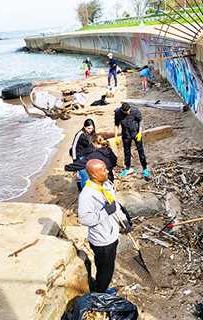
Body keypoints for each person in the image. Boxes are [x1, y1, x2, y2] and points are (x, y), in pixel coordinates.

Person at [78, 159, 125, 293]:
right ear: (94, 175)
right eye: (103, 170)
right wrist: (104, 212)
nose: (107, 171)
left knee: (108, 267)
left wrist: (123, 220)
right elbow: (84, 219)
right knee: (105, 270)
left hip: (112, 234)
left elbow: (114, 204)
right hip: (102, 241)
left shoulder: (106, 184)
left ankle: (101, 287)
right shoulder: (87, 195)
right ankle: (100, 292)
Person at [114, 103, 150, 178]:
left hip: (136, 133)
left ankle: (145, 168)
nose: (128, 113)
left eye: (128, 111)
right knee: (126, 151)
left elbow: (140, 121)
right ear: (122, 110)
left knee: (141, 151)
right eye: (126, 112)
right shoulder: (118, 113)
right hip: (126, 134)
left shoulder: (135, 111)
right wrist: (116, 136)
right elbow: (116, 125)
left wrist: (140, 132)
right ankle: (128, 168)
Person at [70, 119, 96, 190]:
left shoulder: (91, 133)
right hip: (80, 156)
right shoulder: (79, 134)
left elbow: (93, 143)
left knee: (88, 173)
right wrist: (75, 160)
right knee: (84, 175)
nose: (90, 130)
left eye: (92, 128)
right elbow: (74, 147)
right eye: (88, 128)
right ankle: (83, 190)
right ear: (84, 127)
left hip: (88, 155)